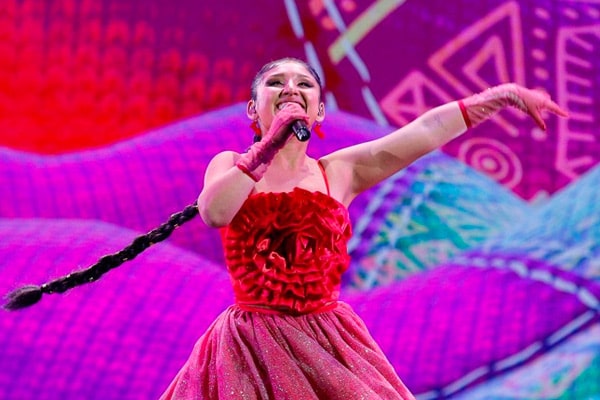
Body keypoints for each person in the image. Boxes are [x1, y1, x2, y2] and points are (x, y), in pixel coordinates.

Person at [4, 57, 568, 399]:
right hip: (248, 346)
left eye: (305, 83)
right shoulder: (229, 164)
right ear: (254, 111)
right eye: (276, 83)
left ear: (319, 113)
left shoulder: (339, 171)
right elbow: (215, 211)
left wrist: (496, 99)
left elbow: (420, 134)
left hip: (330, 343)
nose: (291, 88)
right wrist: (266, 149)